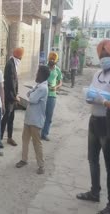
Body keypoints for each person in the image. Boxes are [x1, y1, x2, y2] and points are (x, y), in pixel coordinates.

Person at [77, 39, 110, 214]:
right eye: (102, 55)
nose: (104, 58)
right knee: (92, 159)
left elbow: (105, 99)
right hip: (94, 120)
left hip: (107, 123)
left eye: (107, 55)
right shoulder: (97, 73)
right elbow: (92, 92)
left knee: (108, 163)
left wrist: (104, 101)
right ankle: (94, 192)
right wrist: (89, 97)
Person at [15, 66, 50, 175]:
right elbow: (29, 94)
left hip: (36, 120)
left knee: (36, 143)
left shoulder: (43, 88)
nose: (36, 75)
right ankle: (24, 159)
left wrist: (31, 93)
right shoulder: (38, 86)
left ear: (42, 75)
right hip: (29, 118)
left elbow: (32, 98)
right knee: (25, 139)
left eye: (38, 73)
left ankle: (41, 166)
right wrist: (31, 92)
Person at [1, 47, 24, 147]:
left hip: (12, 96)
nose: (22, 58)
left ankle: (9, 138)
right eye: (21, 56)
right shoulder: (10, 64)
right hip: (9, 97)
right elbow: (10, 83)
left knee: (11, 118)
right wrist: (14, 97)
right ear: (19, 55)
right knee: (6, 118)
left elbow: (15, 81)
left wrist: (16, 94)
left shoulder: (14, 63)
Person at [41, 52, 63, 141]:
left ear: (56, 61)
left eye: (54, 59)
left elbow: (60, 81)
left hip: (52, 95)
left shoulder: (57, 70)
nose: (52, 60)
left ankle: (44, 134)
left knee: (49, 116)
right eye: (51, 59)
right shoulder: (44, 68)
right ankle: (38, 132)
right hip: (42, 94)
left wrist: (56, 87)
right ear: (48, 59)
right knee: (41, 114)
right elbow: (38, 79)